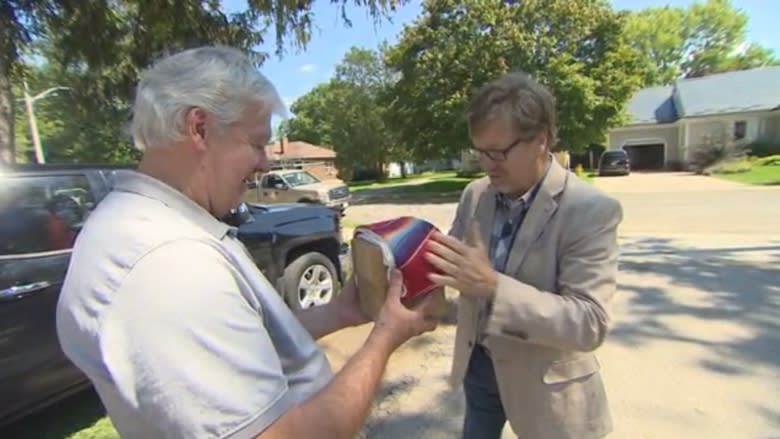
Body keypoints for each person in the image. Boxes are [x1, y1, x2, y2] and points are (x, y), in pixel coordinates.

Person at [55, 45, 440, 439]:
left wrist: (340, 312)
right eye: (257, 144)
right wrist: (384, 340)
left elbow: (238, 351)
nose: (265, 165)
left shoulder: (148, 228)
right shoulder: (168, 264)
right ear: (199, 128)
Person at [424, 72, 623, 439]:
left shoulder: (590, 209)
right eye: (480, 152)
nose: (488, 164)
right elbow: (456, 271)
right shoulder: (475, 195)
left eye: (499, 152)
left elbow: (590, 322)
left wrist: (494, 286)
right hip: (480, 371)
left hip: (547, 385)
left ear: (540, 140)